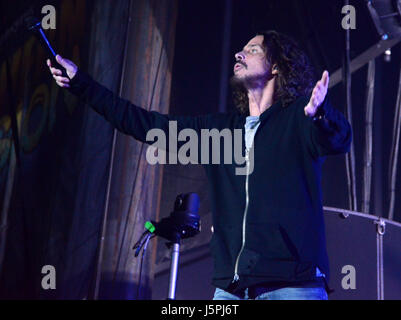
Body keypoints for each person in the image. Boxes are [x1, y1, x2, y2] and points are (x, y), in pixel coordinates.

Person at [47, 30, 352, 300]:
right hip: (231, 290)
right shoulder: (219, 133)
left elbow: (339, 140)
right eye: (241, 49)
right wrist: (82, 84)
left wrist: (320, 113)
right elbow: (147, 125)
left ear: (275, 67)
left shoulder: (298, 118)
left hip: (293, 286)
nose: (239, 53)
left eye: (253, 49)